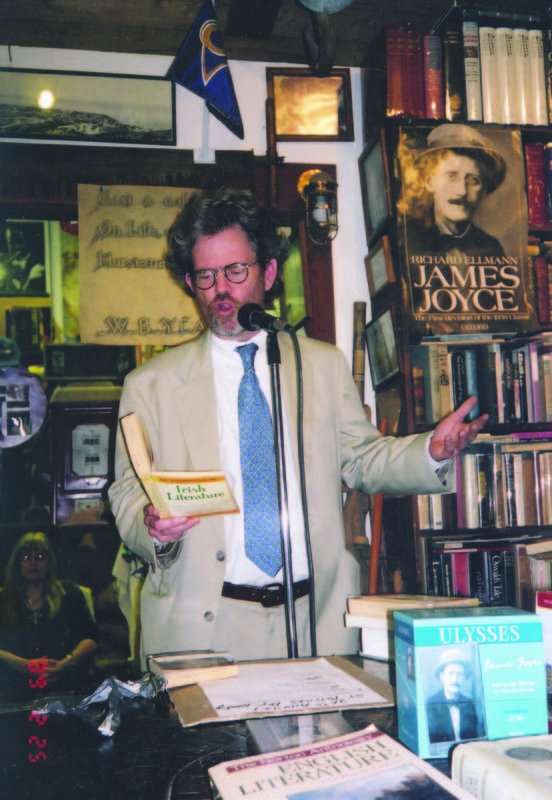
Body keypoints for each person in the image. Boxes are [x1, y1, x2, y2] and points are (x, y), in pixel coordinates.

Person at [108, 188, 487, 664]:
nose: (220, 289)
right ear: (190, 282)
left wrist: (430, 451)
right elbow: (126, 491)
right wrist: (152, 527)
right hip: (202, 626)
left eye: (235, 270)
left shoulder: (321, 367)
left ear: (268, 273)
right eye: (206, 275)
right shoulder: (150, 385)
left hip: (314, 622)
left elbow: (363, 460)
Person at [0, 531, 98, 699]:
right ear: (17, 563)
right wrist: (26, 666)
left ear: (50, 562)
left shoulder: (71, 594)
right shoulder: (3, 600)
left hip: (66, 689)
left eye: (40, 556)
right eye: (26, 557)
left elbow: (91, 639)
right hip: (13, 693)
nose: (33, 562)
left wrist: (64, 664)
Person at [400, 123, 507, 261]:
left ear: (484, 190)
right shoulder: (409, 242)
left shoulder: (492, 249)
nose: (462, 191)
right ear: (430, 182)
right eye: (451, 177)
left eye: (473, 181)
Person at [426, 648, 481, 743]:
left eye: (459, 674)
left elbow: (474, 738)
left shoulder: (469, 704)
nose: (455, 679)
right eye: (451, 674)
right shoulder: (431, 704)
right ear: (442, 676)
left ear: (463, 678)